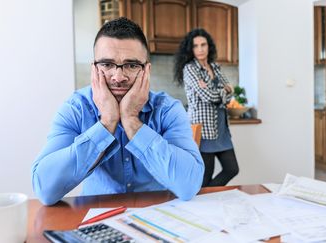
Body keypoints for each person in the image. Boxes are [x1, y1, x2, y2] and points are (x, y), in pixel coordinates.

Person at [32, 17, 204, 205]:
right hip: (96, 218)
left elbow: (189, 186)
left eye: (131, 65)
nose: (118, 77)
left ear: (146, 70)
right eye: (107, 64)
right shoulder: (76, 108)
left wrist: (131, 120)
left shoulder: (168, 109)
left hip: (157, 216)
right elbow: (45, 190)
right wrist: (106, 123)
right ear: (94, 69)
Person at [173, 28, 239, 187]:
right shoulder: (190, 69)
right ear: (191, 49)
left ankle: (207, 198)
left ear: (209, 46)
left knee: (232, 169)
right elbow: (209, 97)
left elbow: (230, 94)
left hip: (221, 128)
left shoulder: (215, 67)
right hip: (203, 129)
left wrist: (217, 90)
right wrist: (223, 90)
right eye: (196, 46)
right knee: (205, 175)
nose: (200, 49)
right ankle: (204, 203)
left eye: (203, 44)